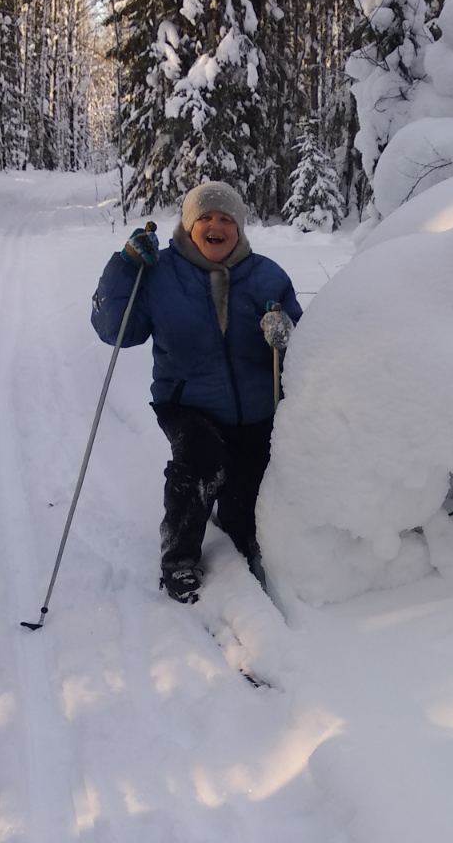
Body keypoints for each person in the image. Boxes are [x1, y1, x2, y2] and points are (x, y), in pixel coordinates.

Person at [92, 180, 302, 603]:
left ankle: (237, 524)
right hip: (188, 403)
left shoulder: (267, 275)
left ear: (239, 228)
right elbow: (116, 331)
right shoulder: (157, 273)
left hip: (255, 409)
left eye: (226, 218)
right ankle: (179, 556)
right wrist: (125, 267)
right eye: (205, 217)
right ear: (189, 225)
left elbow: (301, 341)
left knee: (247, 503)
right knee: (203, 462)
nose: (215, 226)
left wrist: (286, 336)